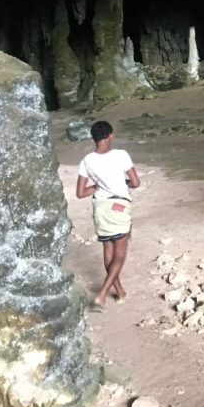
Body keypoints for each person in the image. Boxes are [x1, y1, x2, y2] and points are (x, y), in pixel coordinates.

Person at [76, 120, 140, 307]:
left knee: (108, 251)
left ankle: (119, 291)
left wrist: (97, 186)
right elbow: (135, 183)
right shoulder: (121, 155)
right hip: (118, 206)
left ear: (93, 138)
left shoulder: (87, 161)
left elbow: (80, 193)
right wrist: (122, 183)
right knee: (120, 254)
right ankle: (103, 293)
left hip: (101, 208)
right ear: (110, 136)